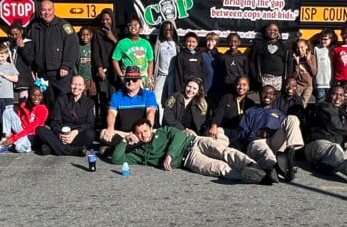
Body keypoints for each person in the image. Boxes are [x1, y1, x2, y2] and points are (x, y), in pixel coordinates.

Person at [112, 119, 270, 184]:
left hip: (195, 142)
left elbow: (179, 135)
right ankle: (254, 177)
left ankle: (254, 166)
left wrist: (169, 155)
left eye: (145, 131)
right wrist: (125, 140)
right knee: (219, 168)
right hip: (188, 159)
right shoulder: (138, 152)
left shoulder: (163, 131)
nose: (143, 135)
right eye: (139, 133)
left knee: (225, 152)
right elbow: (117, 159)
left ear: (151, 129)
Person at [304, 84, 347, 185]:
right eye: (334, 94)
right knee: (335, 149)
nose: (338, 97)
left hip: (338, 146)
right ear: (329, 95)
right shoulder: (323, 106)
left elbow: (343, 130)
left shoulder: (341, 111)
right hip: (317, 145)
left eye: (341, 95)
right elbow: (334, 124)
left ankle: (328, 166)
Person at [236, 85, 304, 182]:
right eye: (264, 93)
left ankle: (290, 153)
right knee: (265, 151)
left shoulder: (280, 114)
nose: (267, 95)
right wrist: (257, 133)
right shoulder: (250, 112)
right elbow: (240, 133)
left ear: (275, 97)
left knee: (292, 118)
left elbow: (286, 129)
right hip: (258, 141)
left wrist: (274, 132)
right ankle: (277, 168)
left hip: (275, 142)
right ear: (259, 94)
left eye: (271, 93)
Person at [25, 0, 80, 103]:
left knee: (63, 100)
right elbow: (30, 47)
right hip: (42, 73)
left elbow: (72, 46)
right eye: (43, 10)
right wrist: (32, 68)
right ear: (39, 11)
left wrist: (66, 65)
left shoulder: (63, 26)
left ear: (54, 10)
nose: (47, 13)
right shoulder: (34, 27)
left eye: (49, 10)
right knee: (46, 100)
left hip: (60, 73)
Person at [36, 75, 97, 156]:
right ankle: (71, 151)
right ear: (70, 85)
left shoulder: (89, 103)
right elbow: (55, 121)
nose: (76, 87)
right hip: (61, 134)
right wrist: (59, 134)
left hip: (78, 134)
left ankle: (53, 147)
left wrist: (76, 132)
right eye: (74, 84)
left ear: (84, 87)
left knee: (90, 134)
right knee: (40, 130)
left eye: (79, 85)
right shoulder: (60, 100)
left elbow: (90, 123)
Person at [100, 66, 158, 144]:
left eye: (134, 79)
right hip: (124, 134)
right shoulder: (117, 95)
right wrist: (110, 128)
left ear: (140, 80)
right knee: (103, 134)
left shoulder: (148, 95)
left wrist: (147, 130)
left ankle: (124, 148)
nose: (131, 82)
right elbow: (111, 114)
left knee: (158, 134)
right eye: (127, 79)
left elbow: (150, 113)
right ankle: (135, 147)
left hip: (142, 132)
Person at [0, 85, 49, 153]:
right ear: (29, 95)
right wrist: (10, 136)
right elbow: (16, 122)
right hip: (21, 130)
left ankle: (21, 145)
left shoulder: (43, 110)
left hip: (32, 134)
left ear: (43, 96)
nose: (36, 98)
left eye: (39, 95)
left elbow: (31, 127)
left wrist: (13, 139)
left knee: (19, 148)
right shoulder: (23, 105)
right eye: (33, 95)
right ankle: (5, 139)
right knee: (8, 111)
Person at [207, 75, 258, 146]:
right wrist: (214, 126)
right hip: (226, 130)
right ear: (235, 86)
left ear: (248, 87)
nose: (241, 87)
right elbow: (218, 114)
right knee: (215, 136)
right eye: (238, 84)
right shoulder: (226, 98)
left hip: (242, 133)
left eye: (244, 85)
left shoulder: (251, 103)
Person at [111, 16, 155, 91]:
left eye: (136, 25)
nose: (133, 27)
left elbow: (150, 61)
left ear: (141, 29)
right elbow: (114, 60)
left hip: (144, 77)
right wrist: (121, 76)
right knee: (129, 98)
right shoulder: (122, 43)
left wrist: (149, 78)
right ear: (128, 28)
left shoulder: (146, 43)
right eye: (130, 25)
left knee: (145, 98)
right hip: (129, 78)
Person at [91, 8, 118, 110]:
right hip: (104, 70)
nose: (105, 22)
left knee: (114, 97)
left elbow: (122, 49)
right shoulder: (98, 34)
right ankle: (103, 122)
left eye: (108, 19)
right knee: (103, 97)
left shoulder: (117, 33)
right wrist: (99, 68)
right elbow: (96, 52)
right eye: (103, 20)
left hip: (115, 70)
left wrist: (112, 37)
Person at [249, 23, 288, 90]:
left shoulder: (283, 46)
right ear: (265, 31)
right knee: (266, 99)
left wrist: (286, 77)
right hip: (264, 78)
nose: (272, 32)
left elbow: (288, 62)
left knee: (278, 99)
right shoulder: (259, 45)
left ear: (279, 32)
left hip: (279, 79)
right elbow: (251, 61)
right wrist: (255, 76)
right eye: (269, 30)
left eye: (275, 30)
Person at [169, 32, 207, 99]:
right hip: (186, 88)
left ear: (197, 43)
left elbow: (203, 72)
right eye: (188, 41)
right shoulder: (180, 55)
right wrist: (179, 90)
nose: (191, 44)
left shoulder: (200, 55)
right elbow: (178, 74)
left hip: (197, 88)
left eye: (193, 42)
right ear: (184, 42)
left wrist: (203, 88)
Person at [153, 21, 179, 106]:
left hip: (172, 77)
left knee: (171, 102)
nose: (168, 32)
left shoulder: (177, 46)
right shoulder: (159, 45)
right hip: (160, 76)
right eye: (165, 30)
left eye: (170, 30)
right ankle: (158, 119)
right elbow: (153, 62)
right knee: (156, 100)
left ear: (174, 31)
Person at [217, 32, 249, 101]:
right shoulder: (223, 57)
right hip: (226, 86)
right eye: (230, 41)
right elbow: (221, 72)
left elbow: (246, 73)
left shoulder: (243, 58)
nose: (233, 44)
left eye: (235, 41)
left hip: (239, 87)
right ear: (227, 43)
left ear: (239, 43)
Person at [6, 22, 34, 99]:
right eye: (12, 34)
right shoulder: (9, 45)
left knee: (23, 104)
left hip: (23, 80)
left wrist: (22, 47)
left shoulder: (29, 44)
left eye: (16, 34)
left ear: (21, 32)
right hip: (10, 80)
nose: (14, 36)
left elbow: (29, 60)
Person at [285, 38, 316, 106]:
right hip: (298, 85)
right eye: (297, 48)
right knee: (295, 102)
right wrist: (297, 63)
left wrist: (308, 60)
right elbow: (294, 76)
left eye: (302, 47)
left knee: (303, 103)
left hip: (308, 86)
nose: (300, 50)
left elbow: (314, 73)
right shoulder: (296, 58)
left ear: (306, 47)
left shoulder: (312, 57)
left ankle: (301, 115)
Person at [74, 26, 97, 98]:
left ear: (91, 35)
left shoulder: (94, 47)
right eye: (82, 35)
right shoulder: (77, 48)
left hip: (92, 80)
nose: (85, 37)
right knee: (81, 98)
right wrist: (77, 75)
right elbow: (74, 64)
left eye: (87, 35)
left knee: (93, 99)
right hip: (81, 79)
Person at [313, 29, 335, 101]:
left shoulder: (333, 49)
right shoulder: (316, 49)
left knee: (330, 103)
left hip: (330, 82)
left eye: (325, 39)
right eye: (321, 39)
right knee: (320, 103)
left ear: (331, 39)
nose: (323, 41)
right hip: (319, 83)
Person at [201, 32, 223, 97]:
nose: (210, 43)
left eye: (213, 41)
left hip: (218, 90)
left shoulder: (220, 56)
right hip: (205, 90)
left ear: (217, 42)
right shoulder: (201, 55)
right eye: (208, 40)